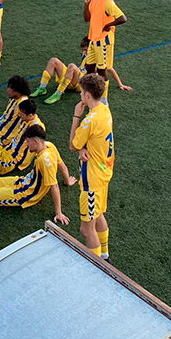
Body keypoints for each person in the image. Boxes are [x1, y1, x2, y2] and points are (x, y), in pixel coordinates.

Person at [69, 74, 114, 262]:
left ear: (87, 95)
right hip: (104, 173)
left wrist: (76, 116)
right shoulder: (104, 110)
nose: (80, 96)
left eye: (81, 93)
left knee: (86, 229)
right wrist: (84, 148)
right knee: (99, 215)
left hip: (92, 180)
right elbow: (93, 139)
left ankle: (98, 266)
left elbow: (72, 144)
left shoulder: (88, 120)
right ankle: (105, 255)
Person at [31, 37, 132, 105]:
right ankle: (42, 88)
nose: (84, 52)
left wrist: (120, 84)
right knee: (53, 60)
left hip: (81, 84)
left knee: (71, 66)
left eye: (86, 49)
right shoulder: (86, 55)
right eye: (83, 50)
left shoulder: (98, 59)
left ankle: (58, 93)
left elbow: (110, 69)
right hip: (73, 78)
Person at [83, 0, 127, 87]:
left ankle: (103, 101)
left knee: (102, 71)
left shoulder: (107, 2)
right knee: (89, 68)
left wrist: (109, 25)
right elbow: (87, 19)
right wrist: (86, 5)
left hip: (104, 40)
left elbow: (123, 18)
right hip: (93, 39)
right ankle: (92, 94)